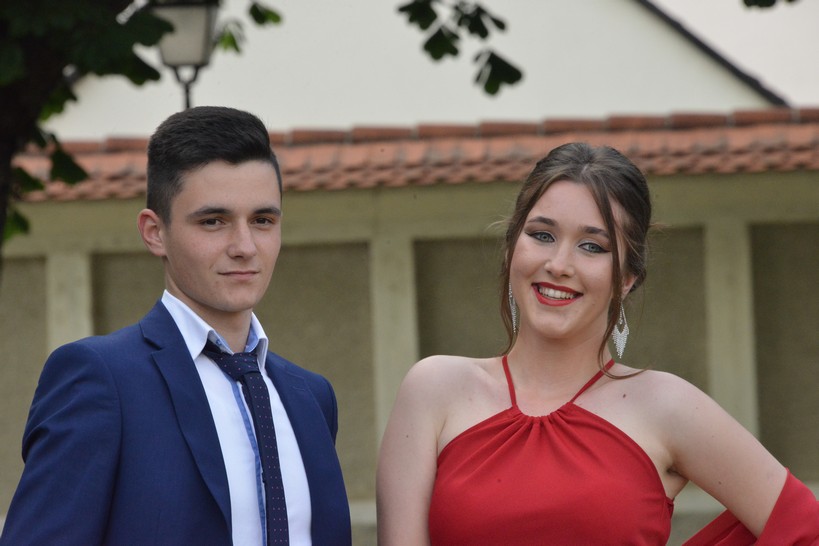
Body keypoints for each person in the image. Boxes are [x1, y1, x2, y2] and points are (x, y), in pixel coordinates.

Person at [376, 142, 818, 545]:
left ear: (626, 279)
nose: (559, 264)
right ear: (512, 248)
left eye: (592, 246)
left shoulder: (667, 406)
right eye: (542, 235)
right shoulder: (433, 389)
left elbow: (805, 528)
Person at [1, 106, 351, 546]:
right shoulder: (100, 379)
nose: (245, 247)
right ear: (155, 232)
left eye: (262, 220)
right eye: (213, 221)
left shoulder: (312, 397)